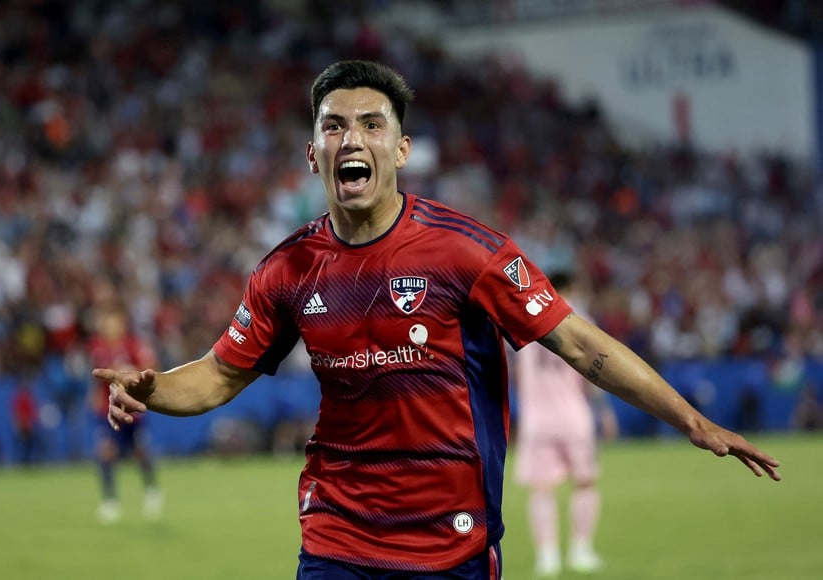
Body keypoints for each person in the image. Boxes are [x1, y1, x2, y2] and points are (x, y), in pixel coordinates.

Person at [95, 60, 781, 578]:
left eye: (371, 124)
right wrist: (152, 389)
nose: (349, 137)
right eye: (332, 126)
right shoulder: (286, 271)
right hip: (336, 536)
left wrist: (692, 420)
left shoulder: (467, 253)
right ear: (313, 155)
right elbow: (218, 376)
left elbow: (580, 343)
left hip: (450, 542)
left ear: (400, 150)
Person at [513, 271, 618, 577]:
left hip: (537, 418)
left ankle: (547, 557)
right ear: (571, 287)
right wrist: (605, 410)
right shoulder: (578, 317)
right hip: (574, 416)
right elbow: (594, 369)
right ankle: (580, 550)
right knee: (584, 482)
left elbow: (517, 374)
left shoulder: (523, 317)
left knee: (541, 489)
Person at [87, 303, 163, 524]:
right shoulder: (97, 347)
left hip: (132, 409)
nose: (110, 327)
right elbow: (96, 379)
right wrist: (94, 396)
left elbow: (151, 368)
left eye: (114, 322)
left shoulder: (134, 345)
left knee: (140, 451)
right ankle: (110, 501)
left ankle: (151, 490)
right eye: (106, 323)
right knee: (106, 452)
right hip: (108, 410)